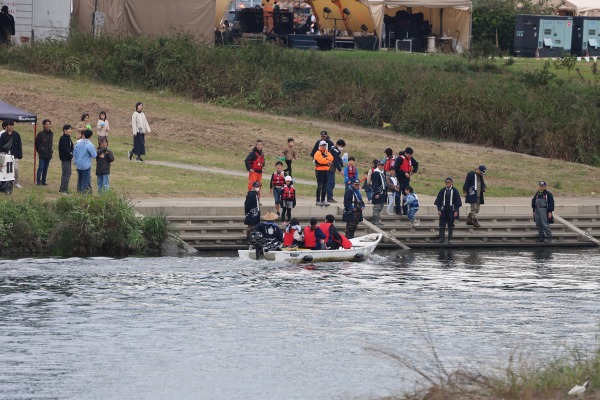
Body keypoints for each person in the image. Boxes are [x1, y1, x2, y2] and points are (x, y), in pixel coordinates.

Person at [434, 177, 462, 244]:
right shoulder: (442, 190)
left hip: (451, 210)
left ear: (452, 182)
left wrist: (456, 211)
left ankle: (450, 239)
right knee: (442, 225)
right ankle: (441, 238)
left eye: (449, 182)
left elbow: (458, 202)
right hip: (443, 210)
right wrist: (439, 210)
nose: (448, 183)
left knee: (451, 225)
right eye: (446, 182)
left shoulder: (455, 191)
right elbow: (438, 201)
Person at [394, 147, 419, 215]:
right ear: (405, 153)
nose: (410, 156)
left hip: (406, 179)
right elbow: (396, 168)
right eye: (409, 154)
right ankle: (398, 210)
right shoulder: (400, 158)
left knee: (406, 195)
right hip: (399, 178)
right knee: (398, 195)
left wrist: (413, 171)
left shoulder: (410, 159)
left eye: (411, 155)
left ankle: (405, 210)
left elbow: (416, 164)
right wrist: (404, 173)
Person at [73, 129, 97, 193]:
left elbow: (74, 152)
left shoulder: (78, 143)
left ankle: (78, 191)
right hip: (86, 164)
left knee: (79, 179)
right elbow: (94, 155)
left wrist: (75, 161)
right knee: (85, 180)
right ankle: (83, 193)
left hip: (78, 163)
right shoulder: (90, 144)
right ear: (90, 136)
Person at [0, 119, 22, 188]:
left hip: (14, 155)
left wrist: (19, 154)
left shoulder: (16, 134)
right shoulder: (3, 135)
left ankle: (16, 182)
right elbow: (1, 145)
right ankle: (6, 182)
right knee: (5, 169)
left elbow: (19, 145)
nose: (11, 126)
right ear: (7, 126)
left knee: (16, 169)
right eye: (10, 125)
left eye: (12, 125)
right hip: (5, 155)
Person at [314, 140, 333, 206]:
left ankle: (323, 200)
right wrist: (328, 160)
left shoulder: (327, 152)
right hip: (319, 171)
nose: (324, 147)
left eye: (325, 145)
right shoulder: (317, 153)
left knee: (325, 186)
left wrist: (326, 159)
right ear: (320, 146)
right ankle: (318, 200)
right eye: (322, 145)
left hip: (326, 171)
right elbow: (321, 161)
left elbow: (332, 158)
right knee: (320, 186)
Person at [35, 119, 54, 186]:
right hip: (42, 154)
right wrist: (40, 151)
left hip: (48, 154)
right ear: (44, 125)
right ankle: (38, 181)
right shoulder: (40, 134)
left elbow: (51, 144)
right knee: (41, 167)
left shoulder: (51, 134)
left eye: (49, 124)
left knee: (46, 168)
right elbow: (37, 144)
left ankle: (43, 181)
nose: (48, 125)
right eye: (46, 124)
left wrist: (51, 151)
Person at [327, 139, 345, 203]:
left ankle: (330, 197)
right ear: (337, 145)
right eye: (341, 146)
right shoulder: (334, 150)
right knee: (330, 184)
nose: (342, 148)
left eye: (343, 147)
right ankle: (329, 198)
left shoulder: (335, 150)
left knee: (332, 184)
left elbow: (338, 158)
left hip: (332, 170)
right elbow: (335, 161)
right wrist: (340, 170)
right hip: (329, 169)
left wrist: (342, 164)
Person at [58, 124, 74, 194]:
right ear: (65, 130)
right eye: (69, 129)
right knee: (66, 173)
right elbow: (65, 149)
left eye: (71, 129)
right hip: (65, 158)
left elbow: (71, 147)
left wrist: (72, 153)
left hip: (68, 158)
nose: (70, 131)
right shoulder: (63, 138)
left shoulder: (68, 138)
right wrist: (70, 155)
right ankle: (63, 189)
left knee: (68, 173)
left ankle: (65, 189)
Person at [371, 160, 387, 226]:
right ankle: (375, 221)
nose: (381, 166)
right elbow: (375, 184)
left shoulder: (382, 173)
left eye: (382, 165)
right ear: (377, 165)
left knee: (381, 206)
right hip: (378, 192)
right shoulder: (375, 173)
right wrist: (376, 193)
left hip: (383, 192)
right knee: (377, 207)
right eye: (380, 165)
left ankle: (378, 220)